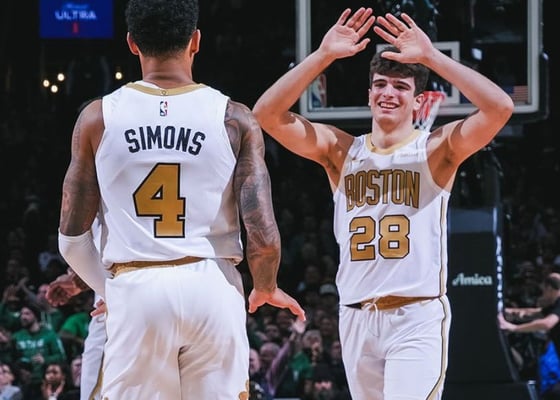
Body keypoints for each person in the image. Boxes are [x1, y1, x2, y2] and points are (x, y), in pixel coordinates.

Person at [253, 7, 513, 399]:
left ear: (419, 101)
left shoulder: (435, 150)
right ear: (369, 94)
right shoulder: (341, 151)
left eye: (400, 87)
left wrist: (432, 57)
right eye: (380, 84)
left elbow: (500, 107)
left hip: (415, 316)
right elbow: (266, 114)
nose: (388, 93)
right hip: (356, 316)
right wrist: (322, 55)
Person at [56, 0, 305, 399]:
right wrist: (265, 285)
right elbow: (262, 230)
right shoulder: (234, 117)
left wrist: (111, 289)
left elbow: (71, 240)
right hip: (212, 285)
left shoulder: (97, 117)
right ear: (196, 41)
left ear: (132, 43)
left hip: (137, 285)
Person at [499, 273, 560, 399]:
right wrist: (509, 311)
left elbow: (547, 323)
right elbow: (534, 313)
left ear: (550, 289)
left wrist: (514, 328)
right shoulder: (554, 307)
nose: (542, 295)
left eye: (543, 291)